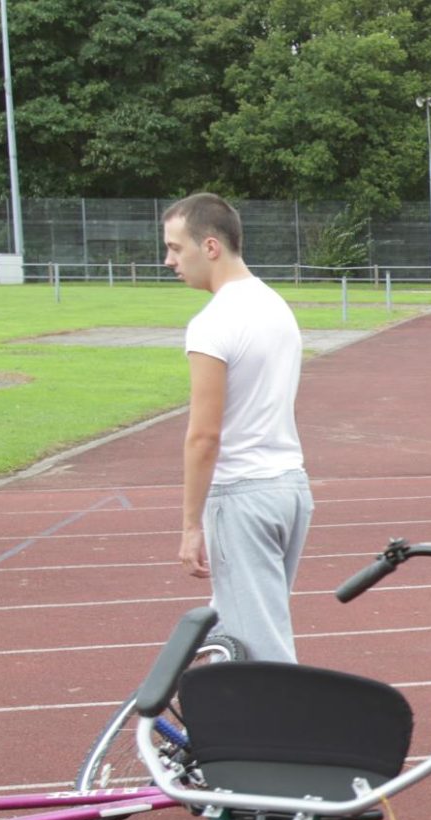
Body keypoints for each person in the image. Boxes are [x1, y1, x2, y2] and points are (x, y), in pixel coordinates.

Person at [162, 192, 313, 663]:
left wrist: (190, 525)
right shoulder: (276, 307)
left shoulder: (213, 323)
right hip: (289, 488)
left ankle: (292, 734)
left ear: (210, 247)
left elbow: (204, 435)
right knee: (233, 634)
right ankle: (225, 732)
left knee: (260, 655)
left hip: (241, 495)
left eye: (174, 248)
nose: (168, 261)